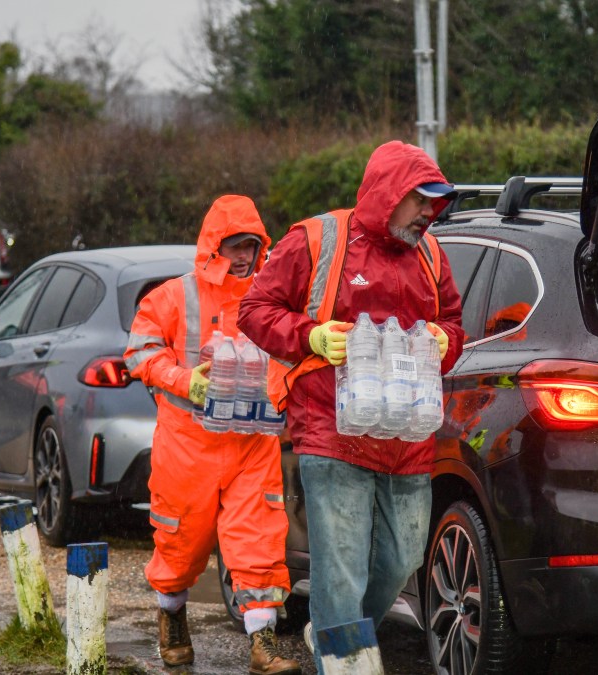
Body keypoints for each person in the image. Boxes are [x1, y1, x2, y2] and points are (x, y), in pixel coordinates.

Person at [238, 140, 464, 670]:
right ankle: (342, 651)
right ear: (389, 195)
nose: (429, 213)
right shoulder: (317, 239)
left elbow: (454, 325)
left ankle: (334, 634)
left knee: (402, 560)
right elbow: (255, 309)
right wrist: (310, 336)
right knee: (341, 573)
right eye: (421, 200)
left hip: (407, 437)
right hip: (331, 431)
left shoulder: (431, 254)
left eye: (436, 202)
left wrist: (443, 341)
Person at [124, 195, 300, 675]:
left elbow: (293, 351)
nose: (243, 256)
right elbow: (138, 353)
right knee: (180, 544)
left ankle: (263, 644)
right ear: (212, 247)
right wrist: (186, 381)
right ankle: (172, 617)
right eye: (234, 246)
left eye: (251, 245)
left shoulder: (272, 296)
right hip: (187, 446)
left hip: (252, 441)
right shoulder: (173, 296)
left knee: (258, 540)